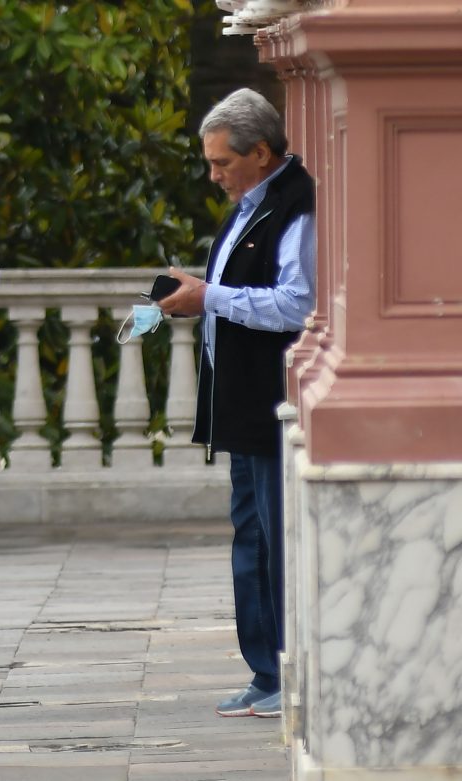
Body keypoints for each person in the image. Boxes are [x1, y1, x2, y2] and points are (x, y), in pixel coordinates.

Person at [158, 88, 315, 719]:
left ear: (261, 152)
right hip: (241, 399)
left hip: (273, 398)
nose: (214, 174)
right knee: (250, 536)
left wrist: (210, 300)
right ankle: (264, 669)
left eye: (223, 162)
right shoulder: (252, 204)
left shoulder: (297, 206)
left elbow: (297, 304)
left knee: (275, 540)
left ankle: (285, 669)